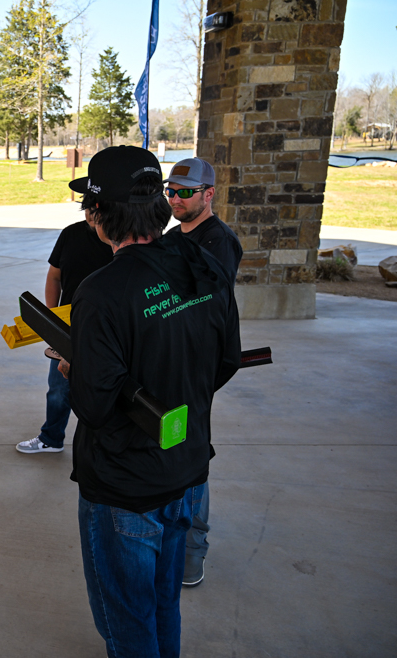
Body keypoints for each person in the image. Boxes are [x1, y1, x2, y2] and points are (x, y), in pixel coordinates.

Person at [63, 146, 240, 657]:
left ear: (99, 214)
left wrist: (76, 367)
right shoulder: (201, 260)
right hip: (186, 469)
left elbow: (94, 406)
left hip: (125, 488)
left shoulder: (102, 290)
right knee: (164, 605)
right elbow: (227, 360)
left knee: (127, 621)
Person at [163, 157, 243, 588]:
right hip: (170, 361)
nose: (174, 199)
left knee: (192, 454)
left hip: (195, 367)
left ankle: (194, 550)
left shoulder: (219, 242)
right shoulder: (173, 236)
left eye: (184, 192)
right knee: (171, 446)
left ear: (209, 194)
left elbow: (201, 305)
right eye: (170, 191)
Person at [16, 209, 113, 454]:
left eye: (98, 208)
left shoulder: (119, 239)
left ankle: (105, 446)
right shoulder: (71, 234)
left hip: (106, 330)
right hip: (68, 328)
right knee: (59, 388)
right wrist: (51, 322)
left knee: (104, 390)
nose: (92, 214)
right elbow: (54, 277)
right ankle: (51, 438)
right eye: (88, 207)